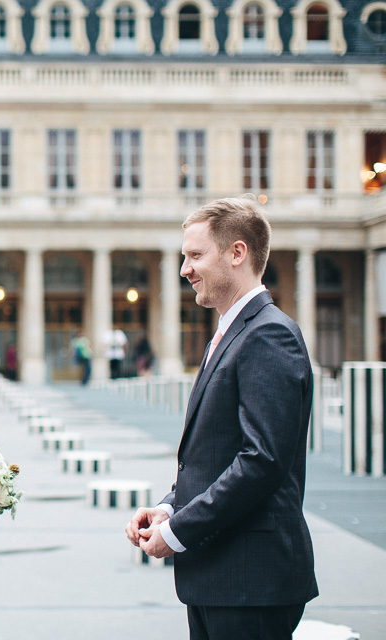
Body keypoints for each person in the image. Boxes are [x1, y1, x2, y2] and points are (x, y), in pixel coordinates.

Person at [124, 196, 318, 639]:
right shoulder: (234, 332)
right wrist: (169, 508)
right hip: (224, 576)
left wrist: (177, 531)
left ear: (237, 253)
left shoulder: (268, 334)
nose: (184, 269)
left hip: (251, 580)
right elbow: (216, 453)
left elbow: (261, 461)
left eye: (195, 255)